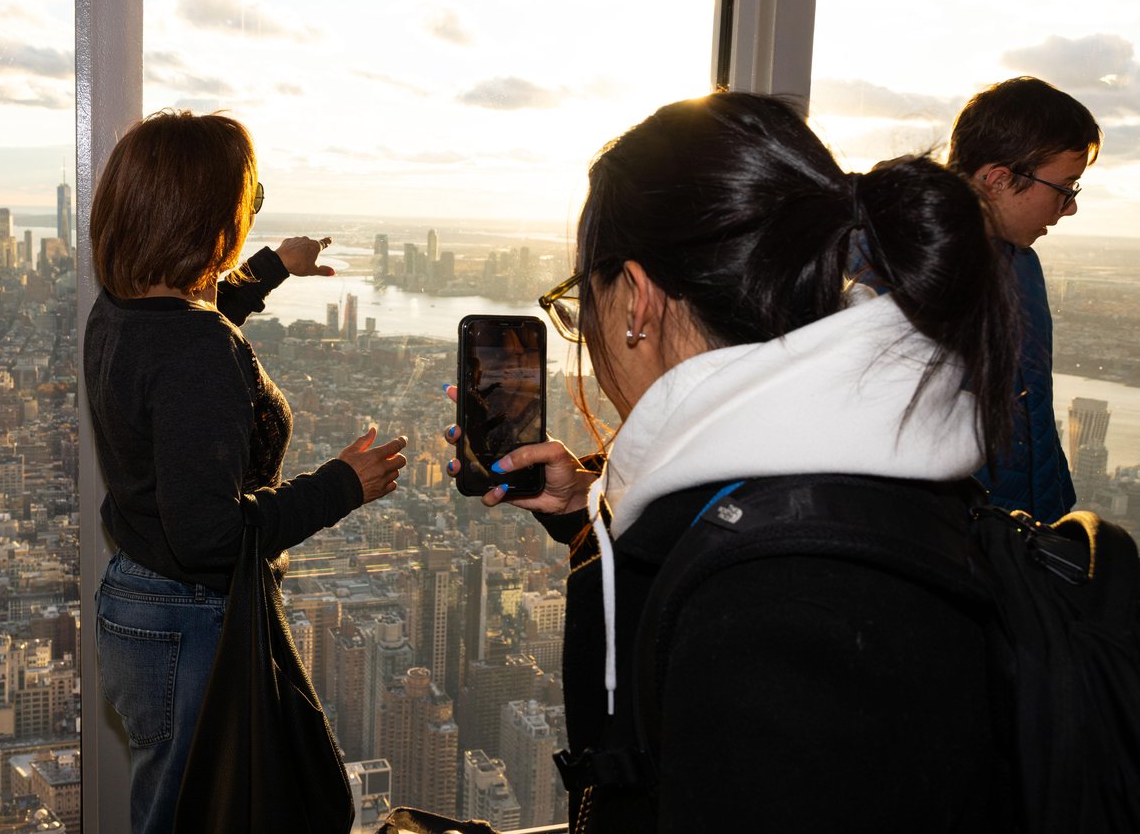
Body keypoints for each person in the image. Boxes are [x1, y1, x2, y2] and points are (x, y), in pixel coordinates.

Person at [444, 93, 1020, 831]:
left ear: (637, 300)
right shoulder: (854, 475)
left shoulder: (772, 615)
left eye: (581, 298)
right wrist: (588, 500)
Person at [85, 109, 407, 834]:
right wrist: (341, 486)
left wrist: (271, 267)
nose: (251, 211)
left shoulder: (118, 313)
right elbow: (208, 535)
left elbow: (187, 335)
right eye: (247, 200)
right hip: (194, 619)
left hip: (137, 602)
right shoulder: (199, 352)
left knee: (173, 809)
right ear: (206, 219)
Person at [948, 76, 1101, 521]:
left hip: (1020, 532)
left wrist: (1051, 513)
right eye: (1065, 188)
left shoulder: (1021, 266)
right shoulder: (913, 279)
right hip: (961, 539)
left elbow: (1031, 415)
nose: (1070, 207)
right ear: (999, 180)